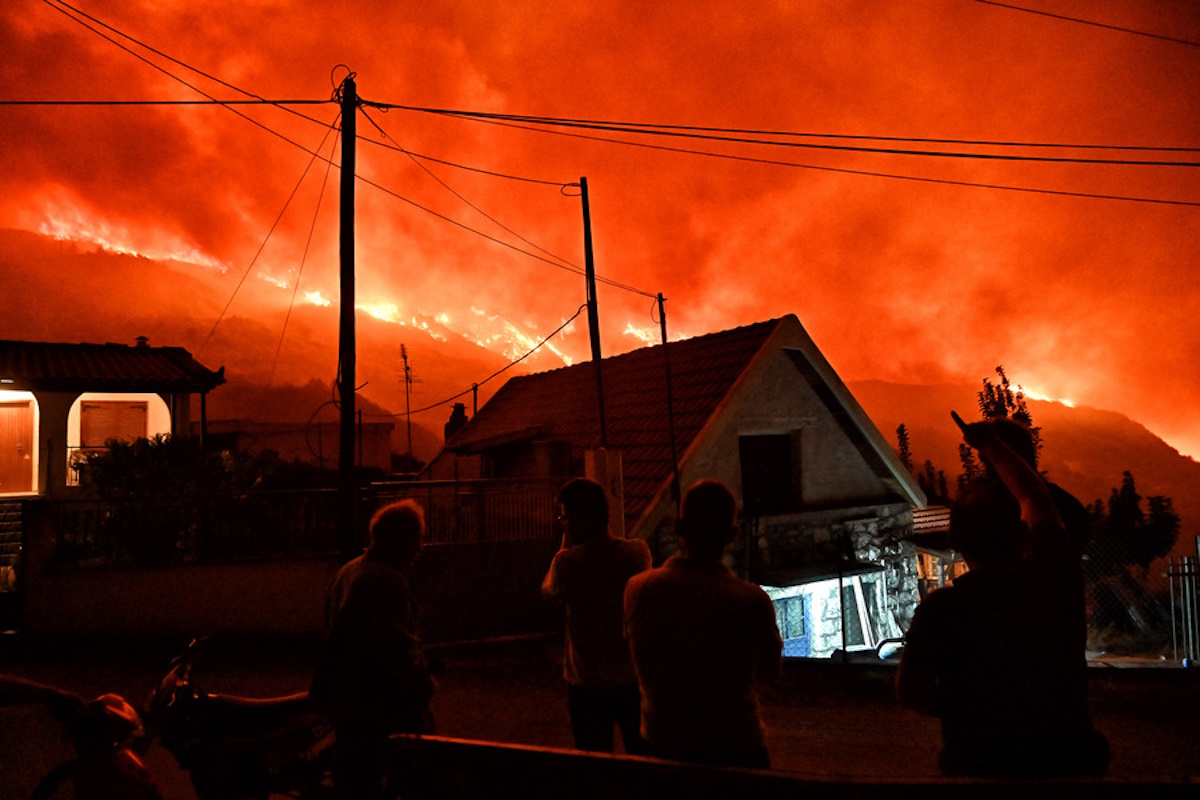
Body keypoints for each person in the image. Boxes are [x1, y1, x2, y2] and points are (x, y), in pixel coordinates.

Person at [896, 415, 1109, 777]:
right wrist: (993, 446)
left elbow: (910, 692)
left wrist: (967, 706)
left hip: (977, 767)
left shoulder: (943, 610)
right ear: (1020, 534)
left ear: (956, 543)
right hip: (1068, 766)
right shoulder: (1056, 583)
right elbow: (1035, 498)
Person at [623, 479, 782, 769]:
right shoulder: (751, 600)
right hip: (737, 749)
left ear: (677, 526)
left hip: (661, 746)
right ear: (732, 534)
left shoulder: (638, 590)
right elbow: (769, 674)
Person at [310, 499, 434, 800]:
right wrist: (423, 680)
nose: (420, 547)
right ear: (400, 541)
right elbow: (396, 646)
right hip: (378, 704)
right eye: (416, 539)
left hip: (346, 699)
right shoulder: (386, 579)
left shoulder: (350, 570)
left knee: (355, 779)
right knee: (409, 772)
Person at [541, 477, 651, 753]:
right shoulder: (637, 553)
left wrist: (565, 541)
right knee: (642, 756)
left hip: (586, 683)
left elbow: (547, 593)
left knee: (593, 764)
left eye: (564, 517)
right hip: (631, 677)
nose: (561, 523)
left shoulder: (566, 562)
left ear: (579, 518)